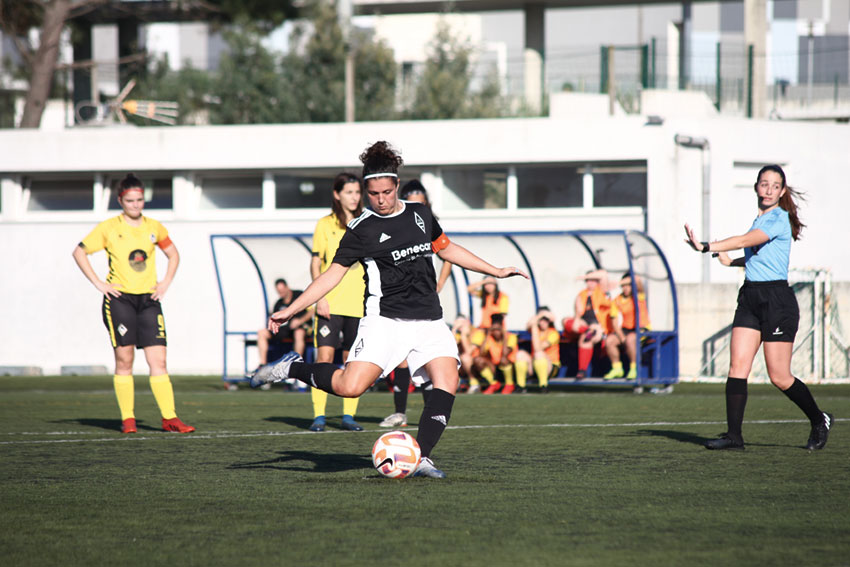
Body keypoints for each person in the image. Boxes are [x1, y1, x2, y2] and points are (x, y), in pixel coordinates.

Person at [251, 141, 529, 478]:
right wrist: (292, 309)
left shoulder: (421, 214)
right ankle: (294, 368)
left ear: (397, 185)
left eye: (386, 191)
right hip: (385, 322)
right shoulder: (360, 230)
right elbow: (331, 276)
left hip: (429, 320)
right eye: (372, 193)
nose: (380, 199)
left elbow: (447, 249)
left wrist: (496, 270)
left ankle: (421, 456)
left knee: (447, 381)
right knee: (349, 387)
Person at [685, 164, 833, 451]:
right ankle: (734, 437)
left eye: (774, 185)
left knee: (779, 376)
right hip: (750, 297)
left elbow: (743, 241)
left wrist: (707, 246)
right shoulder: (760, 219)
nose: (768, 189)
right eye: (764, 184)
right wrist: (734, 261)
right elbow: (760, 255)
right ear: (756, 187)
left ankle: (819, 419)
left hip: (777, 301)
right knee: (737, 366)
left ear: (782, 191)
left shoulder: (779, 218)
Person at [71, 173, 194, 434]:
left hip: (149, 301)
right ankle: (128, 419)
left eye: (139, 200)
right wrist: (99, 283)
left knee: (159, 361)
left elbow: (173, 254)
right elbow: (79, 252)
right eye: (130, 200)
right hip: (120, 300)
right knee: (125, 360)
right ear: (120, 200)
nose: (136, 205)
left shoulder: (154, 227)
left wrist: (165, 283)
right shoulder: (108, 228)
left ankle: (169, 418)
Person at [308, 172, 367, 432]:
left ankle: (348, 417)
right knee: (325, 358)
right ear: (337, 194)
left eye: (357, 192)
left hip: (361, 305)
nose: (355, 197)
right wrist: (319, 297)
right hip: (329, 304)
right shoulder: (324, 224)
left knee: (353, 360)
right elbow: (315, 262)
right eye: (349, 192)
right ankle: (319, 416)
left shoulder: (368, 222)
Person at [562, 270, 611, 379]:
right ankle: (586, 330)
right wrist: (577, 319)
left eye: (593, 280)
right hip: (584, 325)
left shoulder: (601, 291)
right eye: (588, 280)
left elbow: (604, 275)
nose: (590, 282)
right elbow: (578, 313)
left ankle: (582, 370)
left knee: (586, 338)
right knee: (566, 321)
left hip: (598, 326)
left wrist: (584, 276)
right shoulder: (582, 294)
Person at [604, 273, 650, 380]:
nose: (625, 288)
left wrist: (618, 282)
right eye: (623, 286)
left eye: (628, 285)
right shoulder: (617, 300)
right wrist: (621, 337)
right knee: (610, 341)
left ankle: (634, 368)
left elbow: (637, 279)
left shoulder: (638, 296)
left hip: (642, 328)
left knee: (630, 340)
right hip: (626, 329)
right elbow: (614, 321)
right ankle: (617, 368)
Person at [471, 314, 520, 395]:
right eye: (493, 330)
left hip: (508, 368)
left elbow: (505, 353)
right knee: (477, 360)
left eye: (498, 329)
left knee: (504, 359)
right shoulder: (490, 338)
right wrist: (487, 335)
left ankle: (509, 384)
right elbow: (481, 353)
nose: (496, 332)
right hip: (494, 367)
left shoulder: (511, 337)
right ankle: (493, 383)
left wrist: (504, 336)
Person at [516, 307, 559, 393]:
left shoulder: (553, 333)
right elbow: (528, 324)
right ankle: (521, 386)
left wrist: (534, 327)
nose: (543, 322)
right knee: (520, 354)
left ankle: (543, 386)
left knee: (539, 353)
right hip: (535, 364)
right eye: (541, 319)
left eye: (546, 319)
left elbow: (537, 348)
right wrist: (538, 319)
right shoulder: (535, 329)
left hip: (550, 367)